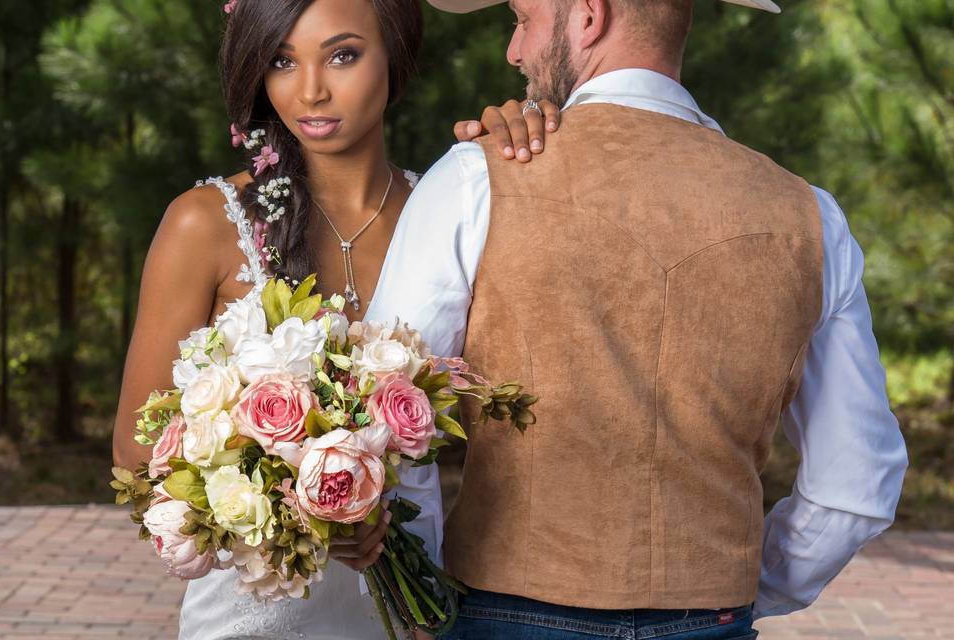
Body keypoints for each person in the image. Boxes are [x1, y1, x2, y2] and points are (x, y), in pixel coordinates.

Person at [366, 0, 910, 638]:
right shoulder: (810, 218)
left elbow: (379, 418)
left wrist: (426, 589)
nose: (513, 51)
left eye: (522, 19)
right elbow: (856, 487)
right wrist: (738, 590)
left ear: (589, 16)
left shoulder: (476, 178)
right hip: (713, 619)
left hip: (502, 614)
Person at [109, 1, 554, 638]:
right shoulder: (204, 223)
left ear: (394, 55)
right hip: (255, 613)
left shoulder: (455, 209)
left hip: (413, 603)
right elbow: (135, 449)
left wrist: (524, 144)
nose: (310, 90)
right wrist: (303, 508)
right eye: (282, 61)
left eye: (342, 54)